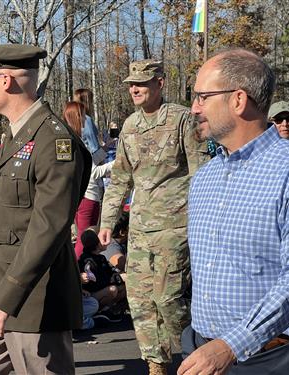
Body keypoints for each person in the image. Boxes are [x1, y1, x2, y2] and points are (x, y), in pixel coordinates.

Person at [178, 49, 289, 375]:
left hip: (275, 359)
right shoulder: (207, 175)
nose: (194, 108)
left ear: (238, 100)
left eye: (203, 96)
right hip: (204, 352)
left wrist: (231, 344)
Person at [0, 38, 91, 375]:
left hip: (35, 301)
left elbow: (47, 229)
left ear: (5, 80)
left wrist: (5, 299)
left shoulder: (53, 141)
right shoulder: (17, 136)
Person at [98, 59, 207, 375]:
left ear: (159, 83)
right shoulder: (130, 126)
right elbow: (120, 178)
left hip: (176, 226)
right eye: (131, 83)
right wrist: (107, 222)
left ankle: (196, 356)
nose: (135, 88)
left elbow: (201, 172)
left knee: (168, 299)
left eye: (142, 83)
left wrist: (202, 221)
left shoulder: (182, 120)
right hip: (140, 229)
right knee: (141, 301)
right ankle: (155, 364)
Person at [63, 101, 115, 259]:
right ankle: (79, 271)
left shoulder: (72, 140)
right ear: (76, 117)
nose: (86, 119)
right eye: (82, 115)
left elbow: (90, 163)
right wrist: (116, 163)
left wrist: (105, 148)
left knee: (84, 237)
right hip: (88, 196)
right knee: (84, 239)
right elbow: (94, 172)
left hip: (83, 195)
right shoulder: (76, 143)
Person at [78, 228, 126, 318]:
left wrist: (120, 276)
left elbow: (110, 271)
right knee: (112, 289)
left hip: (100, 289)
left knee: (124, 288)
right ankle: (100, 312)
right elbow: (96, 282)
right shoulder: (87, 261)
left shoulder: (101, 258)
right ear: (98, 243)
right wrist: (118, 278)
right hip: (90, 295)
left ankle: (109, 309)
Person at [74, 88, 101, 154]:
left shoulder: (73, 119)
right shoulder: (86, 120)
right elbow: (96, 151)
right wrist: (109, 144)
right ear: (87, 103)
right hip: (91, 162)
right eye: (91, 101)